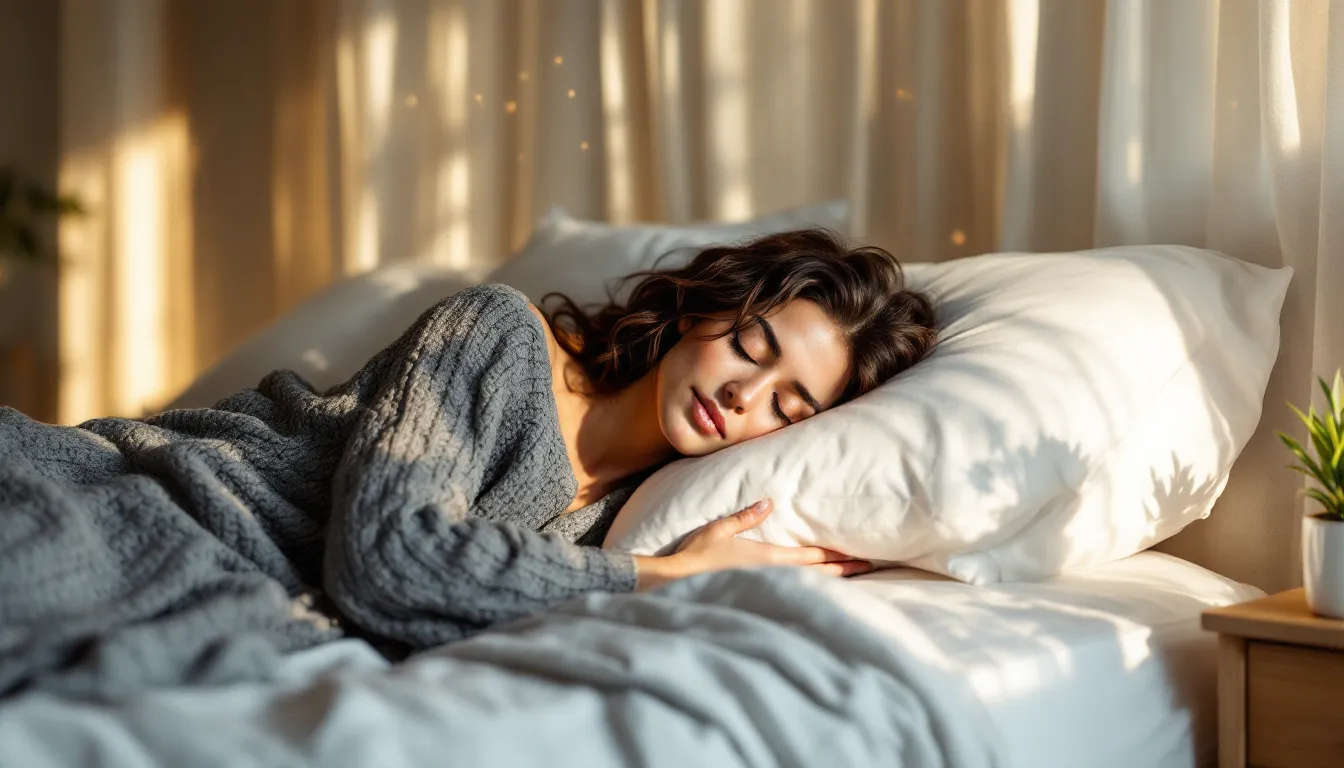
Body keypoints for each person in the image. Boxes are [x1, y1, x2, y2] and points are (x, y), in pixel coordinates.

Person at [0, 227, 937, 699]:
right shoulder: (495, 333)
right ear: (706, 307)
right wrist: (666, 575)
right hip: (152, 494)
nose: (747, 397)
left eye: (790, 405)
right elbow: (388, 559)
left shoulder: (632, 509)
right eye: (752, 346)